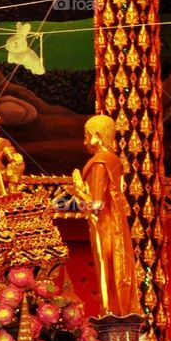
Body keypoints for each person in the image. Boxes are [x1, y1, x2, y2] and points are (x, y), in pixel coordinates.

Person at [71, 114, 140, 317]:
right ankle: (117, 311)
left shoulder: (100, 163)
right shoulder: (112, 160)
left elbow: (96, 204)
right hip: (114, 223)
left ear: (98, 136)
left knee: (107, 269)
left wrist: (78, 190)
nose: (85, 141)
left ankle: (110, 313)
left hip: (104, 224)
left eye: (87, 136)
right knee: (115, 268)